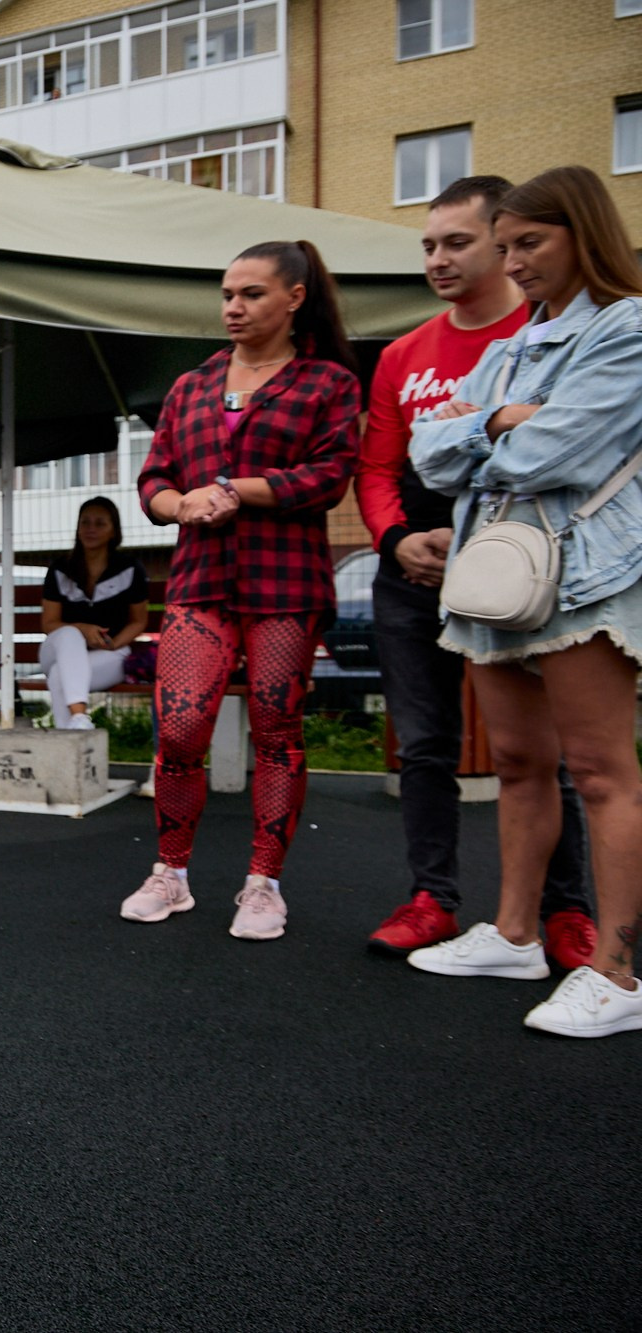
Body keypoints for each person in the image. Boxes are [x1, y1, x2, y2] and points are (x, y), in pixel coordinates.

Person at [408, 166, 642, 1038]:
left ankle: (617, 972)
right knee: (515, 761)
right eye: (503, 246)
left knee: (601, 771)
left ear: (584, 231)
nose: (512, 263)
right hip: (498, 567)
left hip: (584, 570)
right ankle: (514, 934)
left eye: (529, 243)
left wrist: (486, 426)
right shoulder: (512, 345)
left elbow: (554, 455)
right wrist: (502, 419)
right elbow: (429, 456)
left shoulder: (626, 328)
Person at [358, 176, 595, 964]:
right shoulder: (402, 353)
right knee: (425, 744)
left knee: (544, 752)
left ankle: (566, 911)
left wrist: (470, 442)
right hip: (412, 572)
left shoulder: (548, 335)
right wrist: (396, 539)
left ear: (501, 243)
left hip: (522, 565)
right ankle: (431, 898)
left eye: (456, 242)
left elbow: (567, 445)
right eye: (428, 245)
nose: (438, 258)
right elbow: (380, 466)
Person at [125, 240, 360, 941]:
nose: (234, 306)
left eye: (252, 293)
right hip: (200, 580)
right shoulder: (191, 385)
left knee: (276, 729)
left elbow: (330, 475)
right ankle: (171, 873)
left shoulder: (327, 382)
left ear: (294, 298)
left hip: (285, 583)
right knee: (179, 729)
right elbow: (154, 477)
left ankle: (264, 885)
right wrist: (180, 503)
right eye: (228, 294)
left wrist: (235, 490)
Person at [39, 496, 150, 731]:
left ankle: (72, 734)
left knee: (59, 676)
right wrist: (82, 629)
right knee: (69, 634)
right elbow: (49, 623)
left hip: (110, 653)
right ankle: (80, 717)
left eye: (100, 524)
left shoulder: (129, 569)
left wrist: (114, 643)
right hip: (57, 651)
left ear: (113, 531)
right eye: (85, 523)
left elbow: (139, 621)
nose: (91, 529)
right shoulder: (60, 568)